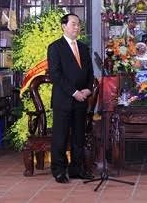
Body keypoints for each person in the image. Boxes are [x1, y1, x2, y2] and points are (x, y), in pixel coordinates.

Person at [47, 13, 94, 183]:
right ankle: (59, 170)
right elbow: (56, 75)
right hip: (64, 99)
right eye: (73, 24)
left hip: (82, 100)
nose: (77, 27)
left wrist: (88, 89)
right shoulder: (55, 47)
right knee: (60, 137)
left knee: (78, 137)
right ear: (63, 26)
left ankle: (76, 169)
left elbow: (90, 72)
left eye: (78, 24)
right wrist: (75, 92)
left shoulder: (83, 48)